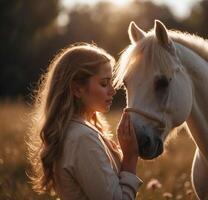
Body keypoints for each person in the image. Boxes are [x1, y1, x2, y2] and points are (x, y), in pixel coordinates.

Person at [27, 43, 142, 200]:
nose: (113, 90)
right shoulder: (82, 138)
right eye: (104, 83)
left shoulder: (79, 132)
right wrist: (130, 157)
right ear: (77, 89)